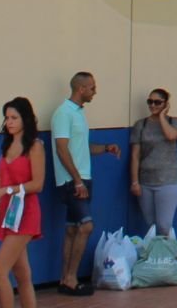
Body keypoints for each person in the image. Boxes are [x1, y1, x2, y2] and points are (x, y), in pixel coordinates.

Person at [50, 71, 120, 296]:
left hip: (82, 179)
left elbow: (82, 148)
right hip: (72, 181)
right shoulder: (63, 113)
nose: (95, 91)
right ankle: (71, 278)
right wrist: (77, 180)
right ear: (81, 89)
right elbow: (62, 149)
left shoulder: (79, 114)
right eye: (92, 88)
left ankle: (64, 278)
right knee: (86, 226)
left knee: (72, 229)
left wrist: (106, 148)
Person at [0, 97, 45, 308]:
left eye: (14, 117)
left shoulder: (35, 147)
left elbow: (37, 184)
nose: (9, 122)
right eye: (7, 118)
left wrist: (5, 190)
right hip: (7, 213)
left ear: (26, 119)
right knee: (22, 275)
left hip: (25, 213)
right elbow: (0, 174)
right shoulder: (7, 144)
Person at [129, 87, 177, 238]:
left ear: (165, 104)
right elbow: (135, 155)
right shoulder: (141, 125)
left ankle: (168, 257)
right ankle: (156, 258)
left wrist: (161, 117)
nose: (152, 105)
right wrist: (135, 182)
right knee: (151, 225)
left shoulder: (175, 122)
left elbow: (171, 135)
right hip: (146, 180)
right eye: (150, 102)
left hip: (168, 180)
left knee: (164, 225)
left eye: (157, 102)